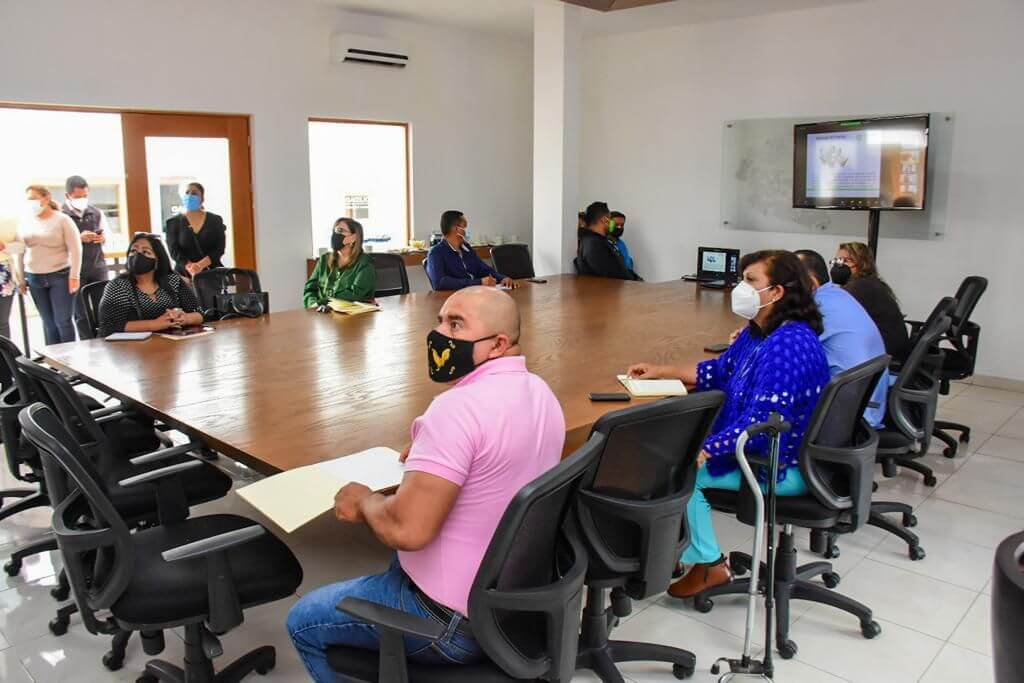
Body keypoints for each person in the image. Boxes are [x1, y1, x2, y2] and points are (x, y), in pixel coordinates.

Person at [287, 287, 565, 681]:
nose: (439, 335)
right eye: (439, 321)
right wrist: (434, 451)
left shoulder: (455, 411)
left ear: (498, 344)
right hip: (514, 597)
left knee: (302, 621)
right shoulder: (540, 391)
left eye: (456, 325)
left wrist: (364, 500)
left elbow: (407, 531)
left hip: (452, 621)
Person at [627, 250, 830, 598]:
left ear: (777, 292)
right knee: (675, 455)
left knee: (679, 474)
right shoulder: (759, 332)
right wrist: (664, 371)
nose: (741, 288)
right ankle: (678, 552)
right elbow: (720, 371)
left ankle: (709, 565)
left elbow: (763, 422)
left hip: (782, 463)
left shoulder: (788, 344)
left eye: (751, 281)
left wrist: (707, 448)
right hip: (768, 450)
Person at [795, 249, 888, 429]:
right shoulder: (838, 295)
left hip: (850, 414)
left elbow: (788, 355)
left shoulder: (818, 309)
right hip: (865, 402)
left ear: (811, 283)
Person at [97, 233, 203, 337]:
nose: (137, 255)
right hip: (129, 349)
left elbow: (199, 313)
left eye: (145, 252)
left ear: (158, 260)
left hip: (169, 346)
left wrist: (184, 318)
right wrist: (154, 324)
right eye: (133, 251)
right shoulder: (118, 286)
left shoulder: (172, 280)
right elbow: (109, 326)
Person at [17, 185, 82, 344]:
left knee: (63, 322)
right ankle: (53, 365)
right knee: (48, 324)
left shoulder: (62, 219)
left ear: (46, 198)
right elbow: (20, 250)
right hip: (34, 277)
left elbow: (76, 248)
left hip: (59, 276)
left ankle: (69, 363)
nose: (31, 203)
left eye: (34, 198)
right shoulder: (26, 221)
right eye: (28, 199)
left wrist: (74, 276)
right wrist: (21, 278)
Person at [830, 242, 909, 359]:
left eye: (846, 260)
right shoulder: (870, 283)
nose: (839, 265)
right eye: (836, 260)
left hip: (884, 357)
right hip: (887, 352)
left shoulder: (860, 288)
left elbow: (832, 319)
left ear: (863, 264)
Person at [62, 175, 110, 337]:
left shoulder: (96, 213)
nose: (82, 199)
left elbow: (107, 237)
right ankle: (86, 345)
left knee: (103, 309)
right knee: (81, 314)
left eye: (85, 196)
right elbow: (58, 244)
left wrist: (101, 238)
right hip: (74, 271)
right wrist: (78, 238)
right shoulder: (62, 216)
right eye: (77, 197)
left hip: (98, 267)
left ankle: (104, 342)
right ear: (67, 196)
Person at [425, 211, 514, 290]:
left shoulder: (466, 248)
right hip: (454, 300)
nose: (466, 232)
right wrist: (479, 282)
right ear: (456, 229)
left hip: (474, 294)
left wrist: (502, 278)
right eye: (464, 227)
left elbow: (484, 269)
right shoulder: (436, 252)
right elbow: (440, 282)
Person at [303, 218, 376, 309]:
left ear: (354, 237)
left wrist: (323, 302)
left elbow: (355, 294)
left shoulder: (364, 263)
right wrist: (313, 304)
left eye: (340, 231)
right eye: (335, 231)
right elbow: (310, 289)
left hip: (353, 318)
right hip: (321, 314)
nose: (335, 235)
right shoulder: (324, 260)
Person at [164, 182, 227, 279]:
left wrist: (200, 265)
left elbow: (219, 248)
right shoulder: (173, 222)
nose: (189, 196)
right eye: (187, 193)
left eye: (194, 193)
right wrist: (190, 267)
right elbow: (174, 251)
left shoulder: (215, 220)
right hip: (183, 276)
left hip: (211, 275)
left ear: (202, 198)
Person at [575, 201, 639, 281]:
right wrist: (635, 280)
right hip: (604, 292)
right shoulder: (593, 244)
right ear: (604, 220)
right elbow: (612, 273)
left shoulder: (601, 241)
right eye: (610, 219)